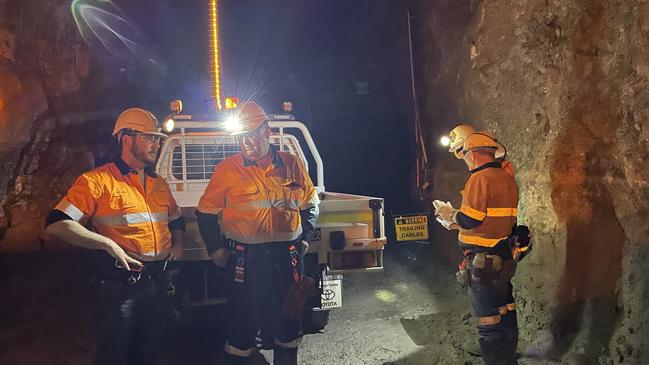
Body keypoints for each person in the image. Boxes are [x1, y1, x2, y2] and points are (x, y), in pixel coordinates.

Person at [44, 108, 185, 365]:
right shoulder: (97, 182)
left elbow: (176, 219)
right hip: (119, 288)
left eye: (157, 138)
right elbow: (57, 223)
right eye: (149, 137)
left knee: (146, 353)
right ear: (126, 139)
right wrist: (107, 243)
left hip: (158, 285)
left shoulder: (159, 184)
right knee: (114, 355)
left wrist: (178, 244)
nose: (157, 143)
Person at [195, 101, 320, 365]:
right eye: (242, 136)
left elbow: (311, 205)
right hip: (244, 259)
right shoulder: (227, 170)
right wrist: (216, 247)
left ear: (268, 131)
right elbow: (205, 212)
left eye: (252, 133)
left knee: (288, 319)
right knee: (242, 322)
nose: (247, 141)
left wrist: (305, 241)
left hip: (287, 258)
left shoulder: (293, 164)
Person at [434, 132, 520, 364]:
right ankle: (509, 360)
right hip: (503, 256)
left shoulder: (479, 179)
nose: (465, 160)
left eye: (464, 155)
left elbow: (471, 219)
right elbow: (493, 221)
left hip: (484, 263)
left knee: (489, 322)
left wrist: (448, 213)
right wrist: (456, 223)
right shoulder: (506, 177)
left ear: (473, 154)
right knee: (506, 312)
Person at [446, 124, 516, 177]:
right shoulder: (503, 168)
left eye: (465, 151)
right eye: (461, 152)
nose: (466, 157)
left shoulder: (481, 178)